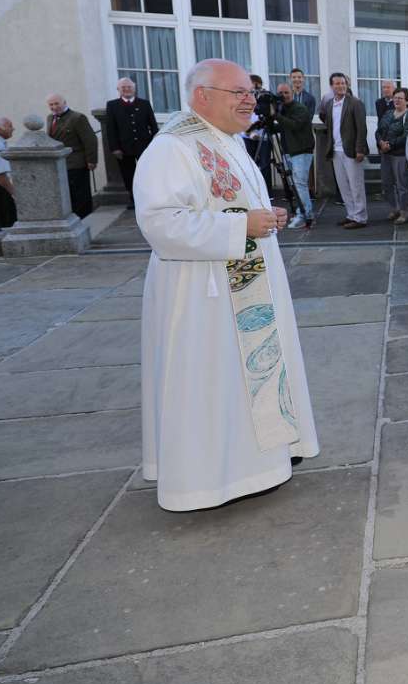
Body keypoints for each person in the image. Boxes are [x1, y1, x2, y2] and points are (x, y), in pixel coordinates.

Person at [133, 58, 319, 511]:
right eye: (237, 92)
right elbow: (159, 224)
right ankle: (211, 478)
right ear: (202, 96)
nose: (250, 99)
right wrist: (239, 226)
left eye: (249, 91)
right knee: (213, 383)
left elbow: (240, 204)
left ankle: (263, 461)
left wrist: (265, 216)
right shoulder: (171, 148)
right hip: (203, 294)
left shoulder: (228, 139)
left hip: (245, 282)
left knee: (249, 376)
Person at [102, 77, 160, 209]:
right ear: (118, 90)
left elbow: (153, 126)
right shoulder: (112, 105)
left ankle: (149, 198)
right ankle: (134, 199)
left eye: (129, 87)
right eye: (123, 87)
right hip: (123, 147)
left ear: (134, 88)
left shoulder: (144, 104)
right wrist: (115, 148)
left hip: (144, 146)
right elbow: (110, 129)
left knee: (147, 173)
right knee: (128, 174)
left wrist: (153, 144)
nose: (127, 89)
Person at [320, 72, 369, 229]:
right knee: (343, 186)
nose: (340, 86)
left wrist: (360, 149)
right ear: (332, 86)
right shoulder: (329, 104)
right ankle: (351, 214)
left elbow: (362, 128)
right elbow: (325, 119)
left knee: (356, 185)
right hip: (336, 150)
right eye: (337, 83)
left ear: (346, 85)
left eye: (343, 83)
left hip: (352, 150)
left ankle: (360, 217)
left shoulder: (355, 103)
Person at [46, 93, 99, 219]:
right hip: (59, 164)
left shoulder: (77, 118)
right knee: (67, 196)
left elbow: (90, 140)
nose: (54, 107)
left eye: (56, 103)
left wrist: (92, 160)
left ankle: (84, 220)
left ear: (64, 103)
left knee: (80, 196)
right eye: (51, 104)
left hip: (76, 163)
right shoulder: (50, 118)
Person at [275, 84, 315, 229]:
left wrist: (277, 116)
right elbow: (281, 127)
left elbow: (294, 125)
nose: (283, 95)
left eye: (286, 92)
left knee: (300, 184)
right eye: (280, 93)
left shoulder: (299, 108)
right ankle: (303, 212)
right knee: (295, 184)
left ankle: (305, 215)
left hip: (301, 151)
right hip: (289, 151)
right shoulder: (283, 109)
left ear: (292, 93)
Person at [377, 88, 408, 224]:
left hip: (400, 155)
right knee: (386, 183)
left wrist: (389, 145)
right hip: (386, 154)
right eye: (395, 97)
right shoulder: (388, 113)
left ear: (407, 101)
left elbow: (406, 136)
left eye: (400, 98)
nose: (396, 100)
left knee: (402, 185)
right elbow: (378, 131)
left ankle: (404, 211)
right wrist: (380, 142)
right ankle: (394, 208)